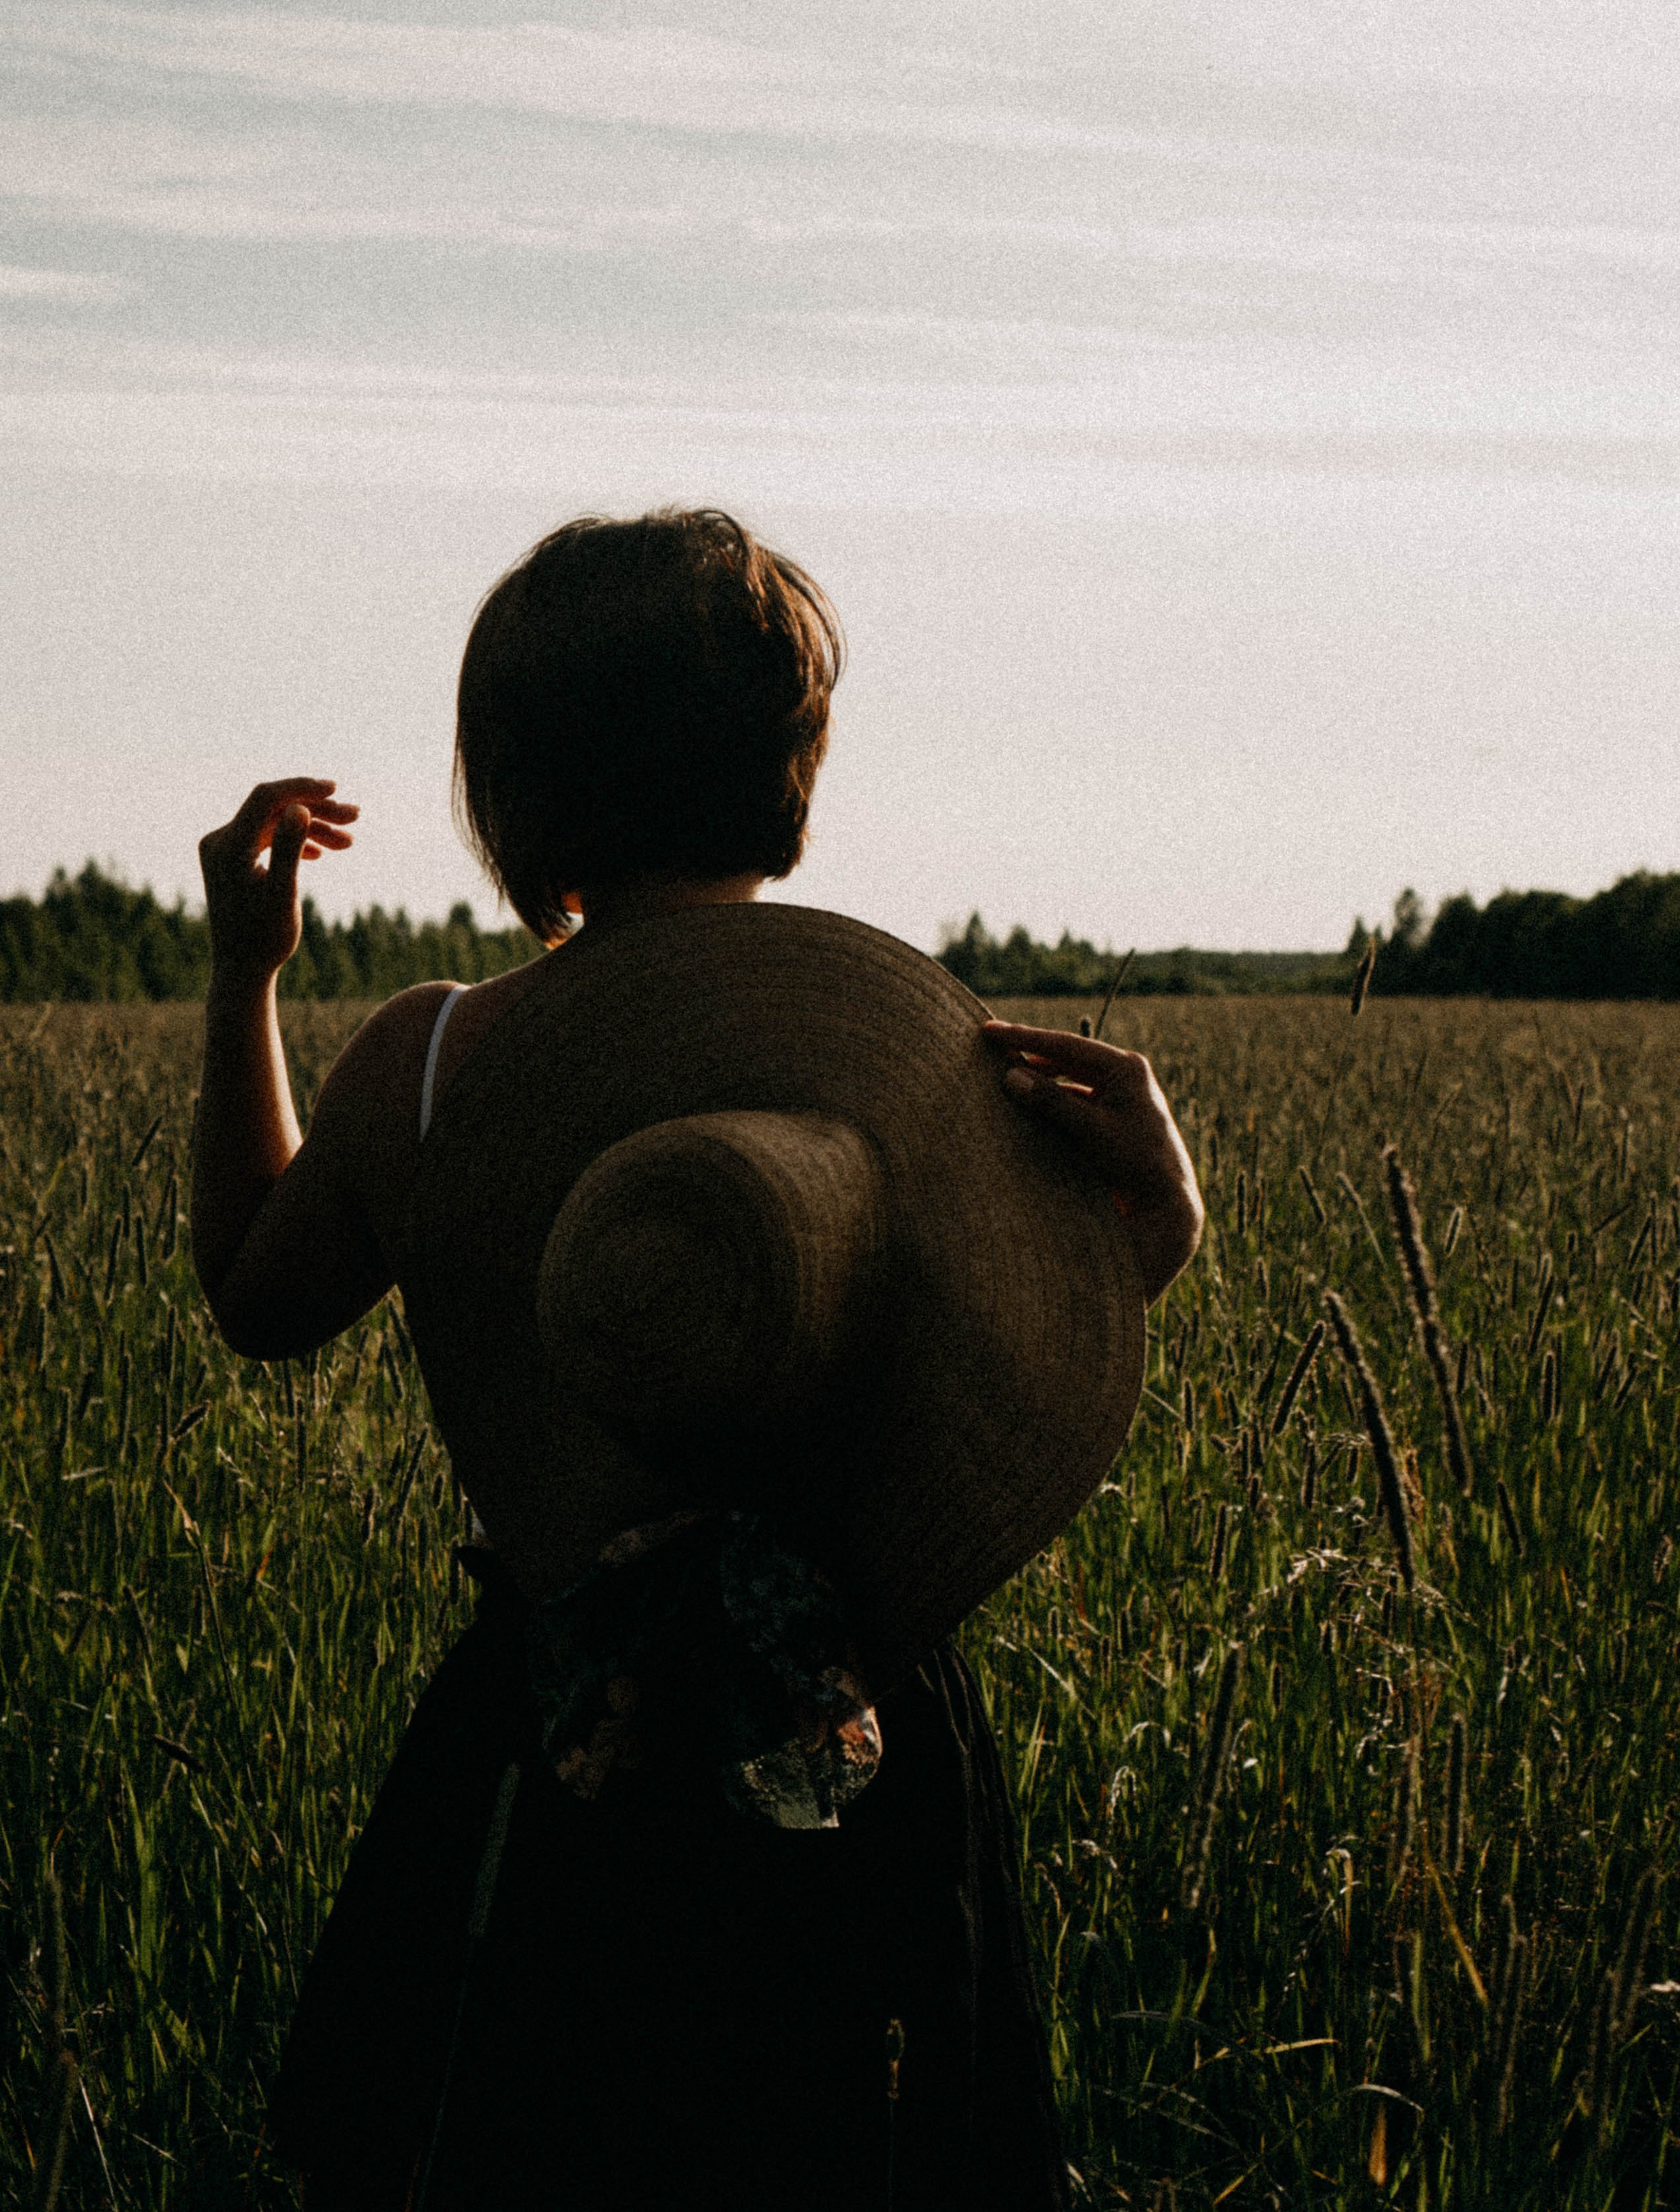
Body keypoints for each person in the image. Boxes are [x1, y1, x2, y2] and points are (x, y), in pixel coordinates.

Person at [192, 509, 1202, 2211]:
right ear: (782, 767)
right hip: (865, 1740)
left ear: (509, 779)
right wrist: (1155, 1218)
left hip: (549, 1743)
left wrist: (242, 983)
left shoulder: (429, 1062)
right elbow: (1033, 1345)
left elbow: (254, 1292)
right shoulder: (896, 1059)